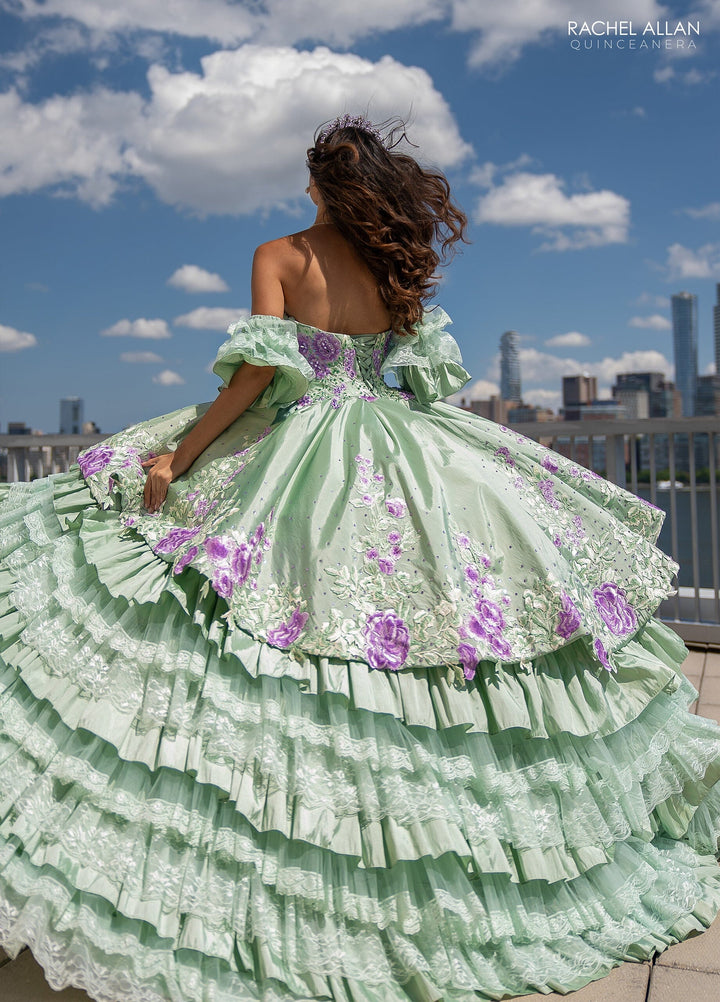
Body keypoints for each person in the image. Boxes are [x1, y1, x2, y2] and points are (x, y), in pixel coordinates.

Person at [0, 114, 719, 1002]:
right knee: (429, 613)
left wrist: (177, 458)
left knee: (256, 608)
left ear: (318, 184)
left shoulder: (281, 254)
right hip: (397, 440)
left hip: (303, 441)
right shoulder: (392, 262)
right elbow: (416, 378)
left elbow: (258, 378)